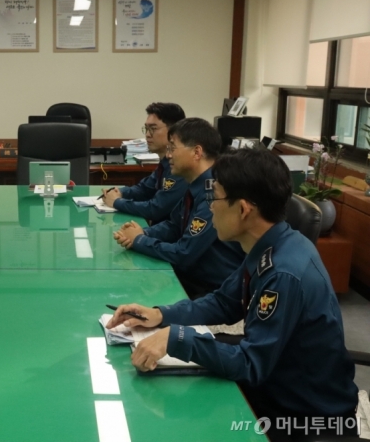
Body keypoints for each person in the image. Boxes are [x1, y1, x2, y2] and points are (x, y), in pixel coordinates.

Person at [107, 149, 358, 439]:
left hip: (305, 416)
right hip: (278, 382)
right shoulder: (271, 245)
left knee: (172, 421)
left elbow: (251, 364)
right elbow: (225, 302)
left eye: (215, 198)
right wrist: (161, 315)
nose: (210, 207)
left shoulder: (283, 273)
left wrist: (177, 337)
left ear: (242, 209)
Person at [113, 118, 244, 299]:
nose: (168, 155)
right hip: (191, 278)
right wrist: (142, 232)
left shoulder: (214, 192)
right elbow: (174, 225)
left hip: (212, 291)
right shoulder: (197, 184)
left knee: (132, 297)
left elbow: (185, 253)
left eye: (173, 148)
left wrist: (140, 240)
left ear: (197, 152)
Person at [101, 102, 187, 226]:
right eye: (146, 129)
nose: (147, 134)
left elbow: (156, 209)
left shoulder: (180, 167)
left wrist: (116, 202)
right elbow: (144, 189)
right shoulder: (164, 163)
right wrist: (119, 192)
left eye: (153, 129)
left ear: (174, 131)